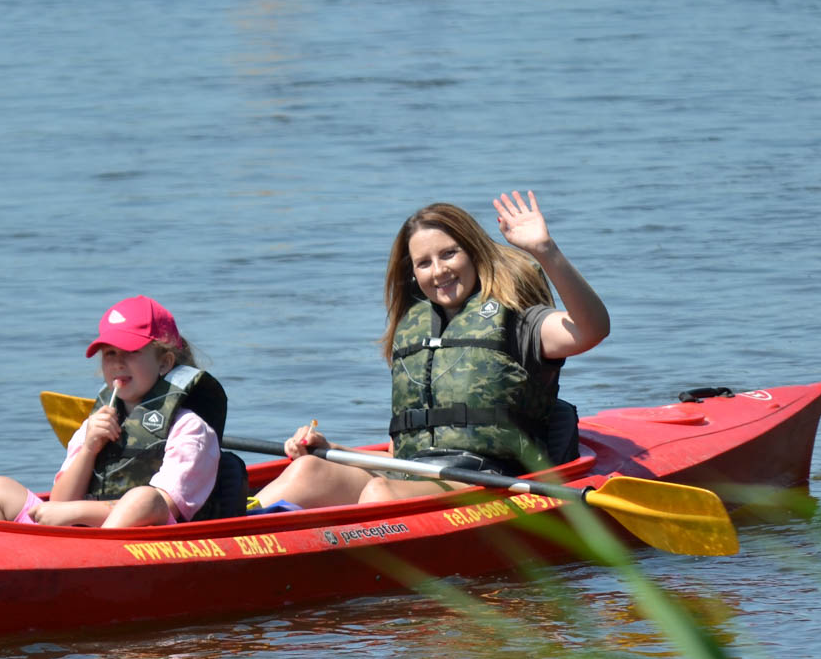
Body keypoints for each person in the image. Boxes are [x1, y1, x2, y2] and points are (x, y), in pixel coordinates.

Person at [254, 190, 608, 509]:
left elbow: (592, 329)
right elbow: (398, 454)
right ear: (413, 272)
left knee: (380, 495)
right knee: (308, 470)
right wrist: (330, 450)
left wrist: (546, 251)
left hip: (483, 480)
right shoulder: (412, 332)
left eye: (449, 254)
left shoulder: (519, 323)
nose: (438, 271)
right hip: (411, 475)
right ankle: (228, 538)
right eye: (424, 263)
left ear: (474, 254)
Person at [0, 296, 235, 529]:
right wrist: (89, 449)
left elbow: (162, 505)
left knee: (143, 497)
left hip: (147, 540)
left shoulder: (190, 428)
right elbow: (59, 503)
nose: (117, 363)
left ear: (164, 362)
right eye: (109, 353)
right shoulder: (94, 425)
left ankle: (90, 562)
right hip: (77, 531)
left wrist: (77, 512)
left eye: (130, 352)